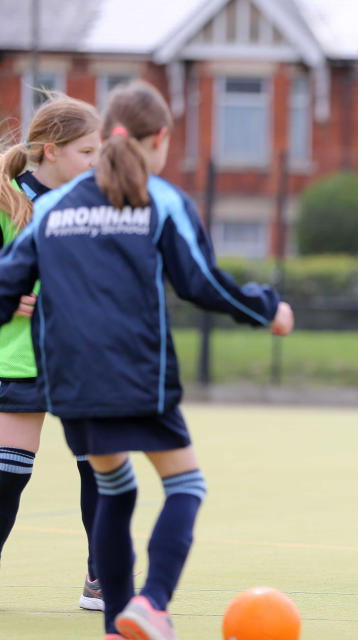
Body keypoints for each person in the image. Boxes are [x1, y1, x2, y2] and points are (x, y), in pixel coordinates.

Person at [0, 80, 294, 640]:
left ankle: (116, 622)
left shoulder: (55, 205)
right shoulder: (159, 200)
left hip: (68, 384)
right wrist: (267, 308)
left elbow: (5, 282)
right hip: (135, 376)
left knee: (115, 487)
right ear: (160, 140)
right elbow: (202, 284)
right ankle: (152, 602)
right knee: (186, 486)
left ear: (108, 136)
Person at [0, 94, 107, 610]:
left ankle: (101, 578)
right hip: (18, 360)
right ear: (51, 150)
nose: (96, 161)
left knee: (104, 470)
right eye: (87, 150)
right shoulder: (6, 202)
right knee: (6, 479)